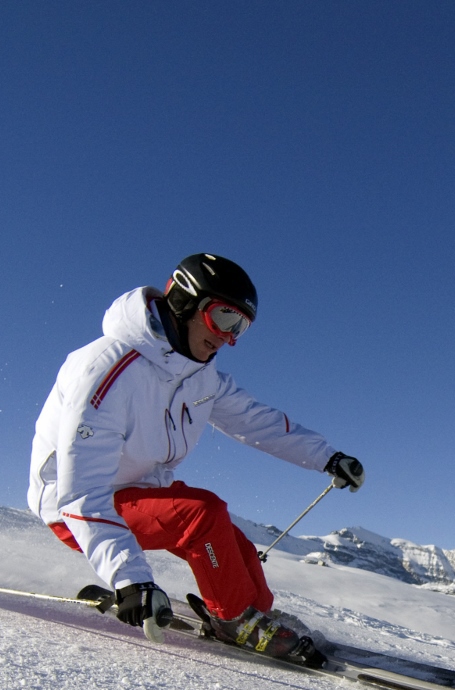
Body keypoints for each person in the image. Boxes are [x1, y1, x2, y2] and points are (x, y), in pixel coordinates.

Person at [28, 253, 364, 662]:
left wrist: (327, 457)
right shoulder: (108, 369)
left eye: (240, 326)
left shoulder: (200, 376)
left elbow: (257, 421)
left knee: (236, 545)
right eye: (224, 317)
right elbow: (81, 491)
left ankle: (253, 610)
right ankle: (235, 619)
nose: (229, 337)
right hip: (77, 509)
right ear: (184, 302)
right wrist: (130, 580)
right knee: (201, 515)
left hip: (139, 493)